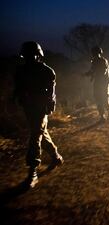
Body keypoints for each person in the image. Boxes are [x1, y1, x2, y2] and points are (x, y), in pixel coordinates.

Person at [13, 41, 64, 188]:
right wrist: (14, 99)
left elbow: (52, 92)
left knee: (36, 134)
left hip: (41, 108)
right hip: (28, 108)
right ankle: (55, 156)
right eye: (27, 55)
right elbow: (18, 88)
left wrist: (51, 104)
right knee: (40, 133)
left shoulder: (47, 71)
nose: (30, 58)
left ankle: (33, 170)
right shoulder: (20, 71)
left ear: (38, 55)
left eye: (32, 55)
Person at [85, 46, 109, 121]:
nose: (94, 54)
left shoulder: (103, 61)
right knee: (98, 97)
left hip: (104, 81)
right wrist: (87, 74)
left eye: (95, 53)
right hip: (98, 81)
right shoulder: (94, 61)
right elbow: (92, 70)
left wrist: (93, 74)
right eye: (93, 53)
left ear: (98, 53)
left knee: (104, 97)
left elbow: (103, 72)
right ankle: (102, 116)